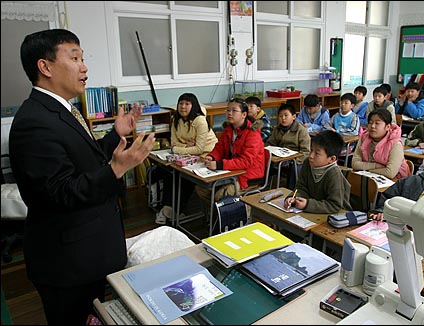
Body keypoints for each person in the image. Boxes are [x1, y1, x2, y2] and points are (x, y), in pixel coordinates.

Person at [8, 29, 155, 324]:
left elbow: (85, 162)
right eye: (74, 58)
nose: (84, 67)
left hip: (89, 251)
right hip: (68, 262)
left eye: (83, 58)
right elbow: (61, 192)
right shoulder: (34, 122)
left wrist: (115, 135)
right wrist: (116, 170)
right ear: (45, 67)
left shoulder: (62, 110)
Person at [155, 93, 218, 224]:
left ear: (193, 105)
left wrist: (178, 148)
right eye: (181, 103)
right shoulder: (176, 119)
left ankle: (175, 211)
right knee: (168, 173)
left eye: (187, 104)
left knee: (184, 177)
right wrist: (185, 146)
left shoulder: (200, 121)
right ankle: (169, 209)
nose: (183, 107)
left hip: (206, 156)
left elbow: (199, 149)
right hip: (187, 155)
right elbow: (173, 142)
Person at [195, 98, 265, 202]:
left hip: (248, 176)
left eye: (234, 110)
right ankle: (214, 214)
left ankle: (219, 214)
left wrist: (219, 164)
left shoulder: (252, 134)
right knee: (201, 189)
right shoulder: (229, 129)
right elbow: (219, 148)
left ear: (244, 114)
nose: (230, 113)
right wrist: (211, 156)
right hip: (231, 172)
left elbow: (246, 161)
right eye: (228, 110)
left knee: (221, 194)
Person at [283, 130, 352, 214]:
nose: (311, 156)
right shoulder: (307, 163)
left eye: (317, 153)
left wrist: (307, 205)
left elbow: (335, 205)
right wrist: (293, 198)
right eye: (311, 150)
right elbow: (301, 187)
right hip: (316, 212)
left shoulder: (334, 174)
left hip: (337, 216)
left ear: (332, 159)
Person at [352, 108, 409, 180]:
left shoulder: (396, 143)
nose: (372, 126)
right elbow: (354, 163)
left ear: (387, 127)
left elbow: (390, 173)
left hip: (395, 181)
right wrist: (376, 166)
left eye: (377, 123)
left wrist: (367, 170)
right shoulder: (364, 137)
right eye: (370, 122)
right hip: (369, 179)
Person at [267, 103, 310, 189]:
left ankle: (291, 191)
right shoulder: (277, 129)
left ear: (293, 117)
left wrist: (294, 160)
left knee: (293, 168)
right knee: (267, 165)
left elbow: (306, 152)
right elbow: (271, 144)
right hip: (281, 157)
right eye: (280, 116)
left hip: (297, 160)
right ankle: (266, 188)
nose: (283, 118)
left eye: (286, 115)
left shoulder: (301, 130)